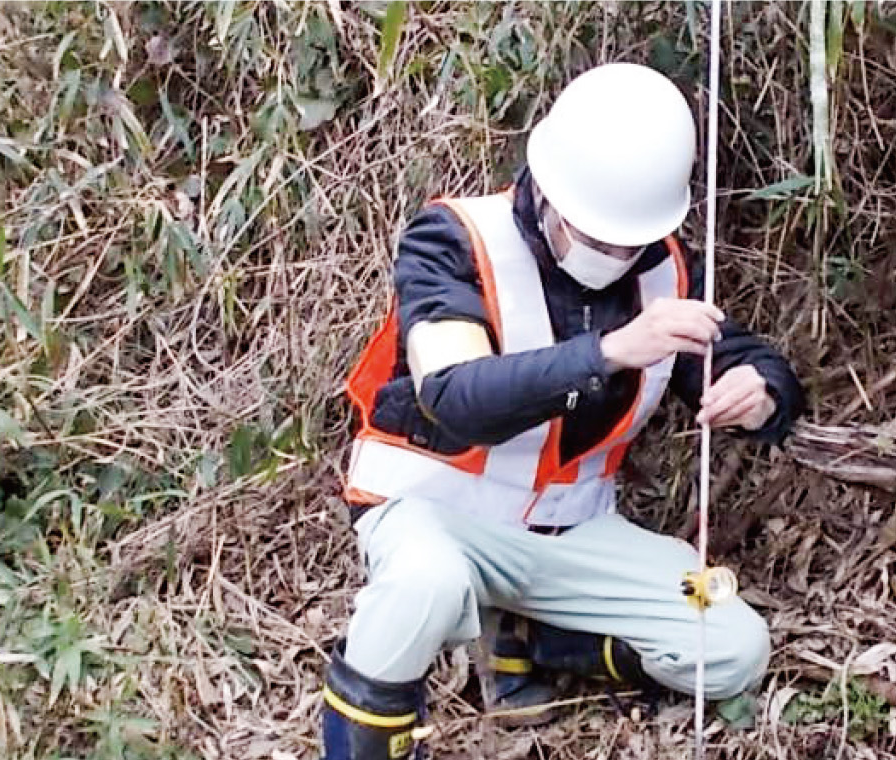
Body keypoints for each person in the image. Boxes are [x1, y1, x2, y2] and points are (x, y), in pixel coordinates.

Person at [321, 62, 807, 759]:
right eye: (598, 236)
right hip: (431, 513)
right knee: (423, 584)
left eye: (628, 242)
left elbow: (738, 358)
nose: (615, 255)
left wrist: (760, 392)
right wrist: (608, 351)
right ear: (546, 190)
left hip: (574, 534)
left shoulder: (664, 265)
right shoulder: (454, 242)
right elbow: (457, 399)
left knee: (732, 645)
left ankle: (533, 636)